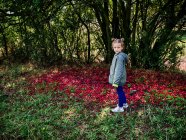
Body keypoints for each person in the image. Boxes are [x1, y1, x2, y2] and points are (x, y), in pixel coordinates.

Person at [109, 38, 129, 112]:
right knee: (121, 91)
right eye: (115, 47)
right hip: (119, 78)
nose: (116, 49)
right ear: (113, 47)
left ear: (122, 47)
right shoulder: (117, 55)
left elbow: (118, 71)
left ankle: (120, 107)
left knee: (119, 92)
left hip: (118, 79)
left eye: (118, 47)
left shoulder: (120, 57)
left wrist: (115, 82)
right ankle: (124, 104)